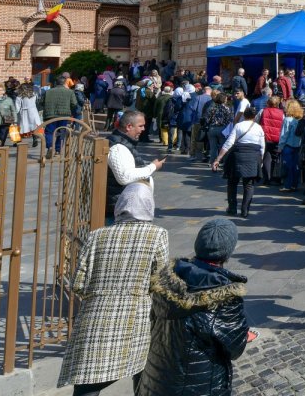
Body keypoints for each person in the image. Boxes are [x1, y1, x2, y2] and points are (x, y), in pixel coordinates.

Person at [59, 184, 169, 395]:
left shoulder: (96, 235)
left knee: (88, 381)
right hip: (137, 316)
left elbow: (78, 284)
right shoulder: (157, 235)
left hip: (94, 315)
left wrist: (102, 297)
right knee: (141, 372)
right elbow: (160, 282)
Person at [137, 217, 254, 394]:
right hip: (199, 384)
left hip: (156, 379)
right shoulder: (225, 296)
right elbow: (235, 348)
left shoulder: (168, 278)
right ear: (227, 252)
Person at [105, 110, 165, 221]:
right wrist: (152, 167)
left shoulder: (124, 143)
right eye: (140, 126)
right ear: (129, 126)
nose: (143, 129)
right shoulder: (118, 148)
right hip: (120, 210)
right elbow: (124, 176)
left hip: (124, 206)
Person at [212, 106, 265, 218]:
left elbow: (228, 143)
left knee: (232, 183)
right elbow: (262, 147)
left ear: (244, 115)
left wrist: (218, 159)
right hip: (253, 156)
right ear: (254, 117)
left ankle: (232, 208)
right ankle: (245, 210)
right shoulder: (259, 128)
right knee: (249, 185)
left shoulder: (238, 126)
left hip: (237, 156)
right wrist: (260, 160)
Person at [42, 76, 78, 158]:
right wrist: (71, 111)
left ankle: (50, 146)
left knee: (49, 132)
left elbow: (41, 102)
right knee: (61, 132)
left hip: (50, 115)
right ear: (65, 82)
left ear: (56, 82)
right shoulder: (69, 92)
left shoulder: (48, 92)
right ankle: (58, 150)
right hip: (64, 115)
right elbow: (74, 104)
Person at [277, 100, 305, 192]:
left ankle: (287, 185)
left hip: (288, 146)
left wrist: (280, 146)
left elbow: (284, 135)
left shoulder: (287, 120)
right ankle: (294, 184)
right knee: (295, 166)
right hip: (298, 145)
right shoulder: (300, 120)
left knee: (287, 166)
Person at [259, 96, 285, 186]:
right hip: (277, 138)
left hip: (265, 138)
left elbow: (256, 121)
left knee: (266, 157)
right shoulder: (282, 113)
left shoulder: (263, 111)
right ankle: (274, 177)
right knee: (275, 158)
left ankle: (267, 178)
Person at [15, 82, 42, 148]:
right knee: (33, 125)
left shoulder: (19, 96)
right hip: (33, 111)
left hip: (24, 111)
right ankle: (34, 138)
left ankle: (18, 141)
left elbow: (17, 107)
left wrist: (15, 113)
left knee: (22, 125)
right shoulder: (34, 94)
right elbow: (37, 102)